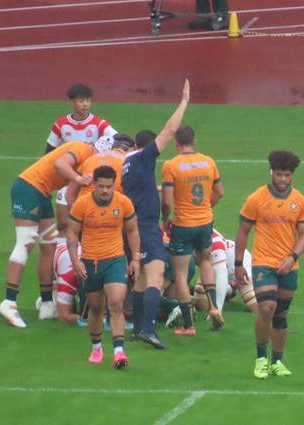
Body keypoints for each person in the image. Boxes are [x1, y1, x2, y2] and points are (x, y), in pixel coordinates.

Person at [0, 138, 112, 328]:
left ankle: (47, 304)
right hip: (29, 188)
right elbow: (60, 164)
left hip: (42, 192)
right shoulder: (82, 149)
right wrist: (77, 178)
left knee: (49, 246)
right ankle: (9, 302)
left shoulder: (87, 158)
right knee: (25, 242)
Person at [121, 79, 191, 348]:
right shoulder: (143, 158)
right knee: (156, 276)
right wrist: (184, 102)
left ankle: (139, 329)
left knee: (140, 280)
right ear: (148, 147)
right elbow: (170, 130)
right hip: (146, 226)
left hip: (131, 226)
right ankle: (149, 330)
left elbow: (140, 188)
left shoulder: (127, 164)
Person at [235, 150, 304, 379]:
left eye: (287, 175)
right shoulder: (256, 199)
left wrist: (292, 258)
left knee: (280, 315)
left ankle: (277, 361)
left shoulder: (300, 201)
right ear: (271, 173)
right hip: (263, 263)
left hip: (289, 266)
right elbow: (243, 232)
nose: (283, 179)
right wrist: (238, 264)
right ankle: (261, 359)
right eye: (278, 174)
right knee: (267, 308)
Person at [68, 165, 140, 369]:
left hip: (115, 259)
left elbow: (133, 230)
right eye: (101, 186)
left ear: (114, 185)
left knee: (116, 303)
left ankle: (119, 352)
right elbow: (72, 233)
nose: (105, 191)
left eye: (109, 187)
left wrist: (135, 258)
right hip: (90, 262)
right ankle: (97, 347)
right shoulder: (82, 204)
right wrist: (75, 260)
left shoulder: (123, 203)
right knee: (96, 307)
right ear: (94, 185)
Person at [161, 124, 225, 335]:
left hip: (182, 224)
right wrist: (206, 207)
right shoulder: (208, 162)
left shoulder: (171, 165)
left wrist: (166, 219)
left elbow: (166, 201)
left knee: (180, 274)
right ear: (193, 141)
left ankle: (189, 326)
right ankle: (214, 307)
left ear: (176, 143)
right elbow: (219, 192)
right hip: (205, 222)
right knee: (205, 261)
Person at [46, 83, 119, 246]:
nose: (85, 104)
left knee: (85, 222)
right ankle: (62, 256)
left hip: (88, 179)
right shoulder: (60, 125)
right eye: (81, 101)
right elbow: (49, 152)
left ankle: (85, 252)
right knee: (63, 222)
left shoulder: (99, 124)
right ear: (72, 102)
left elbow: (117, 138)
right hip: (67, 179)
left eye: (88, 100)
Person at [194, 228, 257, 313]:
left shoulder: (212, 239)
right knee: (200, 303)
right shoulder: (181, 235)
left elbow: (220, 272)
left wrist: (218, 310)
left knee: (253, 302)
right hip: (213, 265)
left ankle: (232, 286)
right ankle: (230, 288)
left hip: (237, 260)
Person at [65, 134, 135, 206]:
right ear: (131, 150)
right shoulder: (129, 163)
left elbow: (69, 195)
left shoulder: (89, 160)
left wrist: (77, 210)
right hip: (112, 209)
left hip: (85, 208)